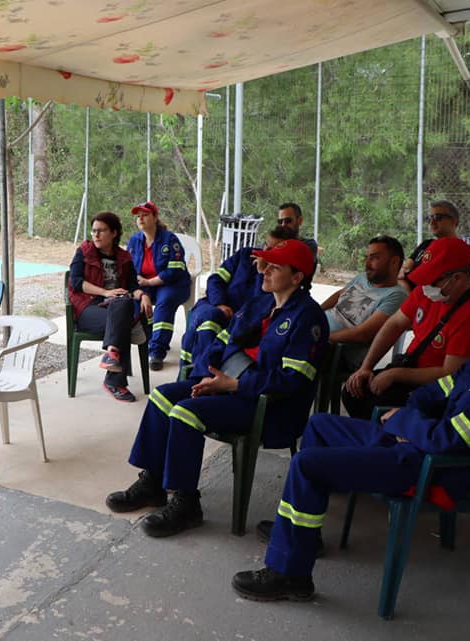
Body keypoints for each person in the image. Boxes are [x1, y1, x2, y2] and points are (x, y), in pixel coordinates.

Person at [231, 285, 470, 603]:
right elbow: (435, 392)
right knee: (319, 425)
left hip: (433, 468)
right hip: (414, 443)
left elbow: (446, 440)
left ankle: (291, 574)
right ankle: (305, 536)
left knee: (307, 465)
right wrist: (411, 414)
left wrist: (405, 424)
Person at [105, 240, 328, 537]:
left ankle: (186, 504)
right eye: (265, 263)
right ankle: (153, 483)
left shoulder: (308, 317)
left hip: (267, 405)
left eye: (275, 266)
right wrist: (206, 376)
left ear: (297, 277)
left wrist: (233, 384)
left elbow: (293, 380)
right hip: (227, 384)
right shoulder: (263, 302)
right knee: (162, 396)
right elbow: (223, 339)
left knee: (185, 413)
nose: (264, 271)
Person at [341, 236, 470, 420]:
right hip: (409, 367)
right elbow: (395, 324)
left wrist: (395, 375)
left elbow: (449, 373)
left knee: (380, 405)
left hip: (437, 389)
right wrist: (366, 367)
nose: (425, 287)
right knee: (353, 392)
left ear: (457, 278)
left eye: (432, 281)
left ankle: (386, 445)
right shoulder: (426, 292)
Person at [178, 225, 297, 370]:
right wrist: (219, 303)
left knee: (200, 332)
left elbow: (261, 305)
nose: (265, 252)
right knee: (209, 318)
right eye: (266, 245)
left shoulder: (277, 278)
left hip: (242, 320)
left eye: (272, 250)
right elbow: (216, 279)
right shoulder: (245, 255)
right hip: (214, 304)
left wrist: (261, 272)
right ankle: (194, 372)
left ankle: (197, 373)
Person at [69, 211, 153, 402]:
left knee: (123, 303)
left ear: (114, 233)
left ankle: (112, 354)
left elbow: (133, 286)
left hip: (117, 307)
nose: (96, 235)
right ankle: (115, 381)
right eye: (94, 231)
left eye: (101, 231)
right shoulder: (84, 251)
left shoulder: (124, 257)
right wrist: (105, 292)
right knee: (122, 319)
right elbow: (75, 282)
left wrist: (144, 295)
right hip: (88, 307)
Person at [319, 235, 408, 371]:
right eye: (367, 257)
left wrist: (322, 336)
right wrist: (316, 311)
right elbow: (339, 295)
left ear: (394, 262)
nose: (367, 264)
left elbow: (363, 334)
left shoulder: (396, 296)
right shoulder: (362, 278)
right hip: (319, 332)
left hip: (338, 351)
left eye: (375, 258)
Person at [126, 201, 191, 371]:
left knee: (164, 302)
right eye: (138, 216)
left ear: (155, 218)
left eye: (145, 215)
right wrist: (141, 286)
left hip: (172, 284)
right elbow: (128, 267)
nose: (141, 219)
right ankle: (148, 339)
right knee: (133, 301)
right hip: (146, 283)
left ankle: (157, 352)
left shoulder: (169, 239)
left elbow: (175, 269)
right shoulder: (134, 240)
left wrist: (149, 282)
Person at [398, 200, 460, 291]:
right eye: (429, 218)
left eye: (437, 217)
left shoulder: (458, 251)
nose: (432, 222)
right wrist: (402, 272)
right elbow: (406, 267)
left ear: (454, 221)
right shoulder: (426, 244)